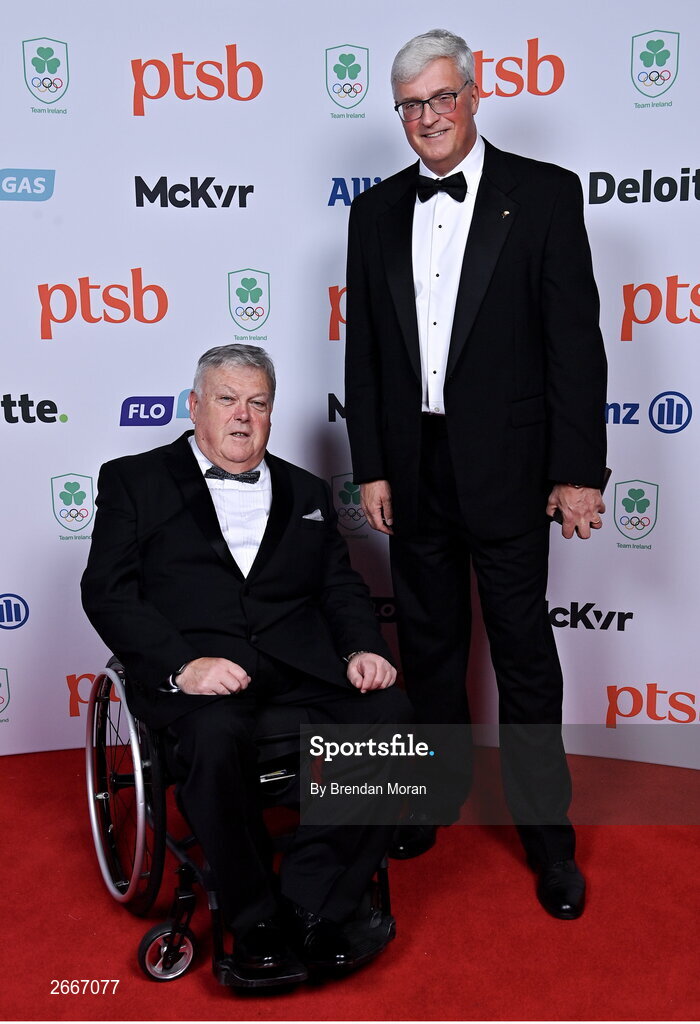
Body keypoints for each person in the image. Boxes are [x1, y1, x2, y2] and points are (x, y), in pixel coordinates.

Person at [344, 28, 607, 920]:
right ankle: (432, 799)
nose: (428, 117)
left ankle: (548, 837)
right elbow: (368, 356)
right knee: (430, 651)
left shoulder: (542, 195)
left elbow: (576, 345)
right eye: (411, 105)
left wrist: (578, 472)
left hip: (510, 469)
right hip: (412, 470)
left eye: (441, 98)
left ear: (474, 93)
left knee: (524, 656)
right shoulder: (374, 211)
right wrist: (370, 467)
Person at [81, 343, 411, 985]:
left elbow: (338, 589)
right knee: (214, 732)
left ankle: (313, 902)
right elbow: (108, 592)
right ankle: (253, 918)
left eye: (257, 403)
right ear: (194, 406)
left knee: (395, 717)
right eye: (227, 400)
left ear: (271, 413)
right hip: (198, 677)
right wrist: (182, 665)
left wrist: (364, 648)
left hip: (298, 668)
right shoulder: (133, 479)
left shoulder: (307, 490)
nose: (242, 416)